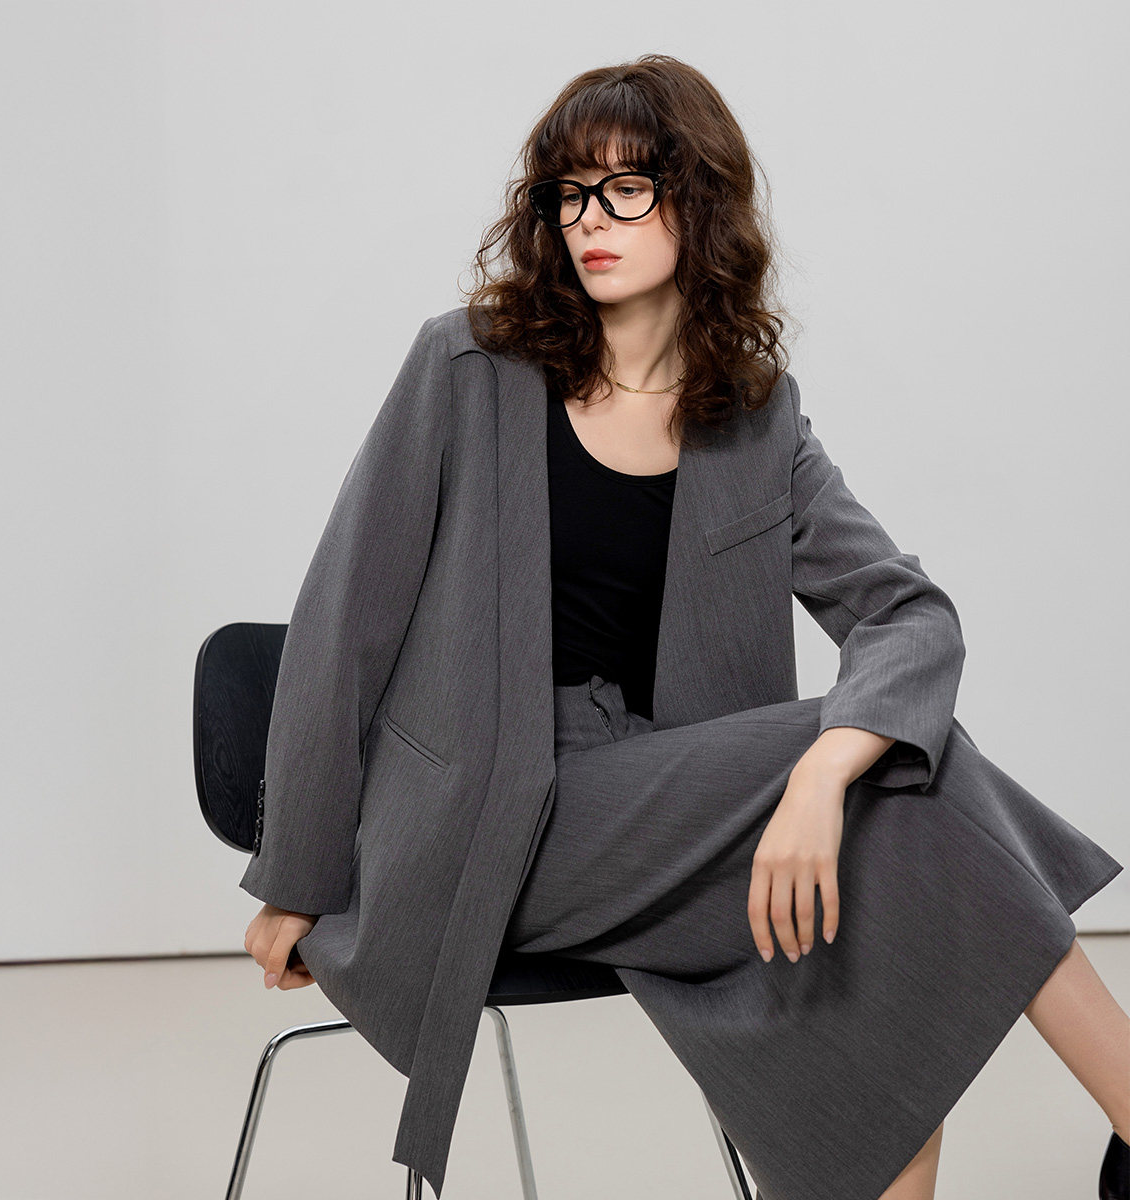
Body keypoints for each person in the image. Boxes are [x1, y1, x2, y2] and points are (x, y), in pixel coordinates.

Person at [243, 54, 1128, 1199]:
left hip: (674, 807)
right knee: (915, 771)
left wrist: (822, 776)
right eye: (570, 191)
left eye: (627, 188)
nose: (590, 219)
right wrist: (297, 878)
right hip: (489, 817)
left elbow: (906, 613)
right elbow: (340, 629)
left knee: (890, 844)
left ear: (699, 201)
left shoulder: (752, 417)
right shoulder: (467, 367)